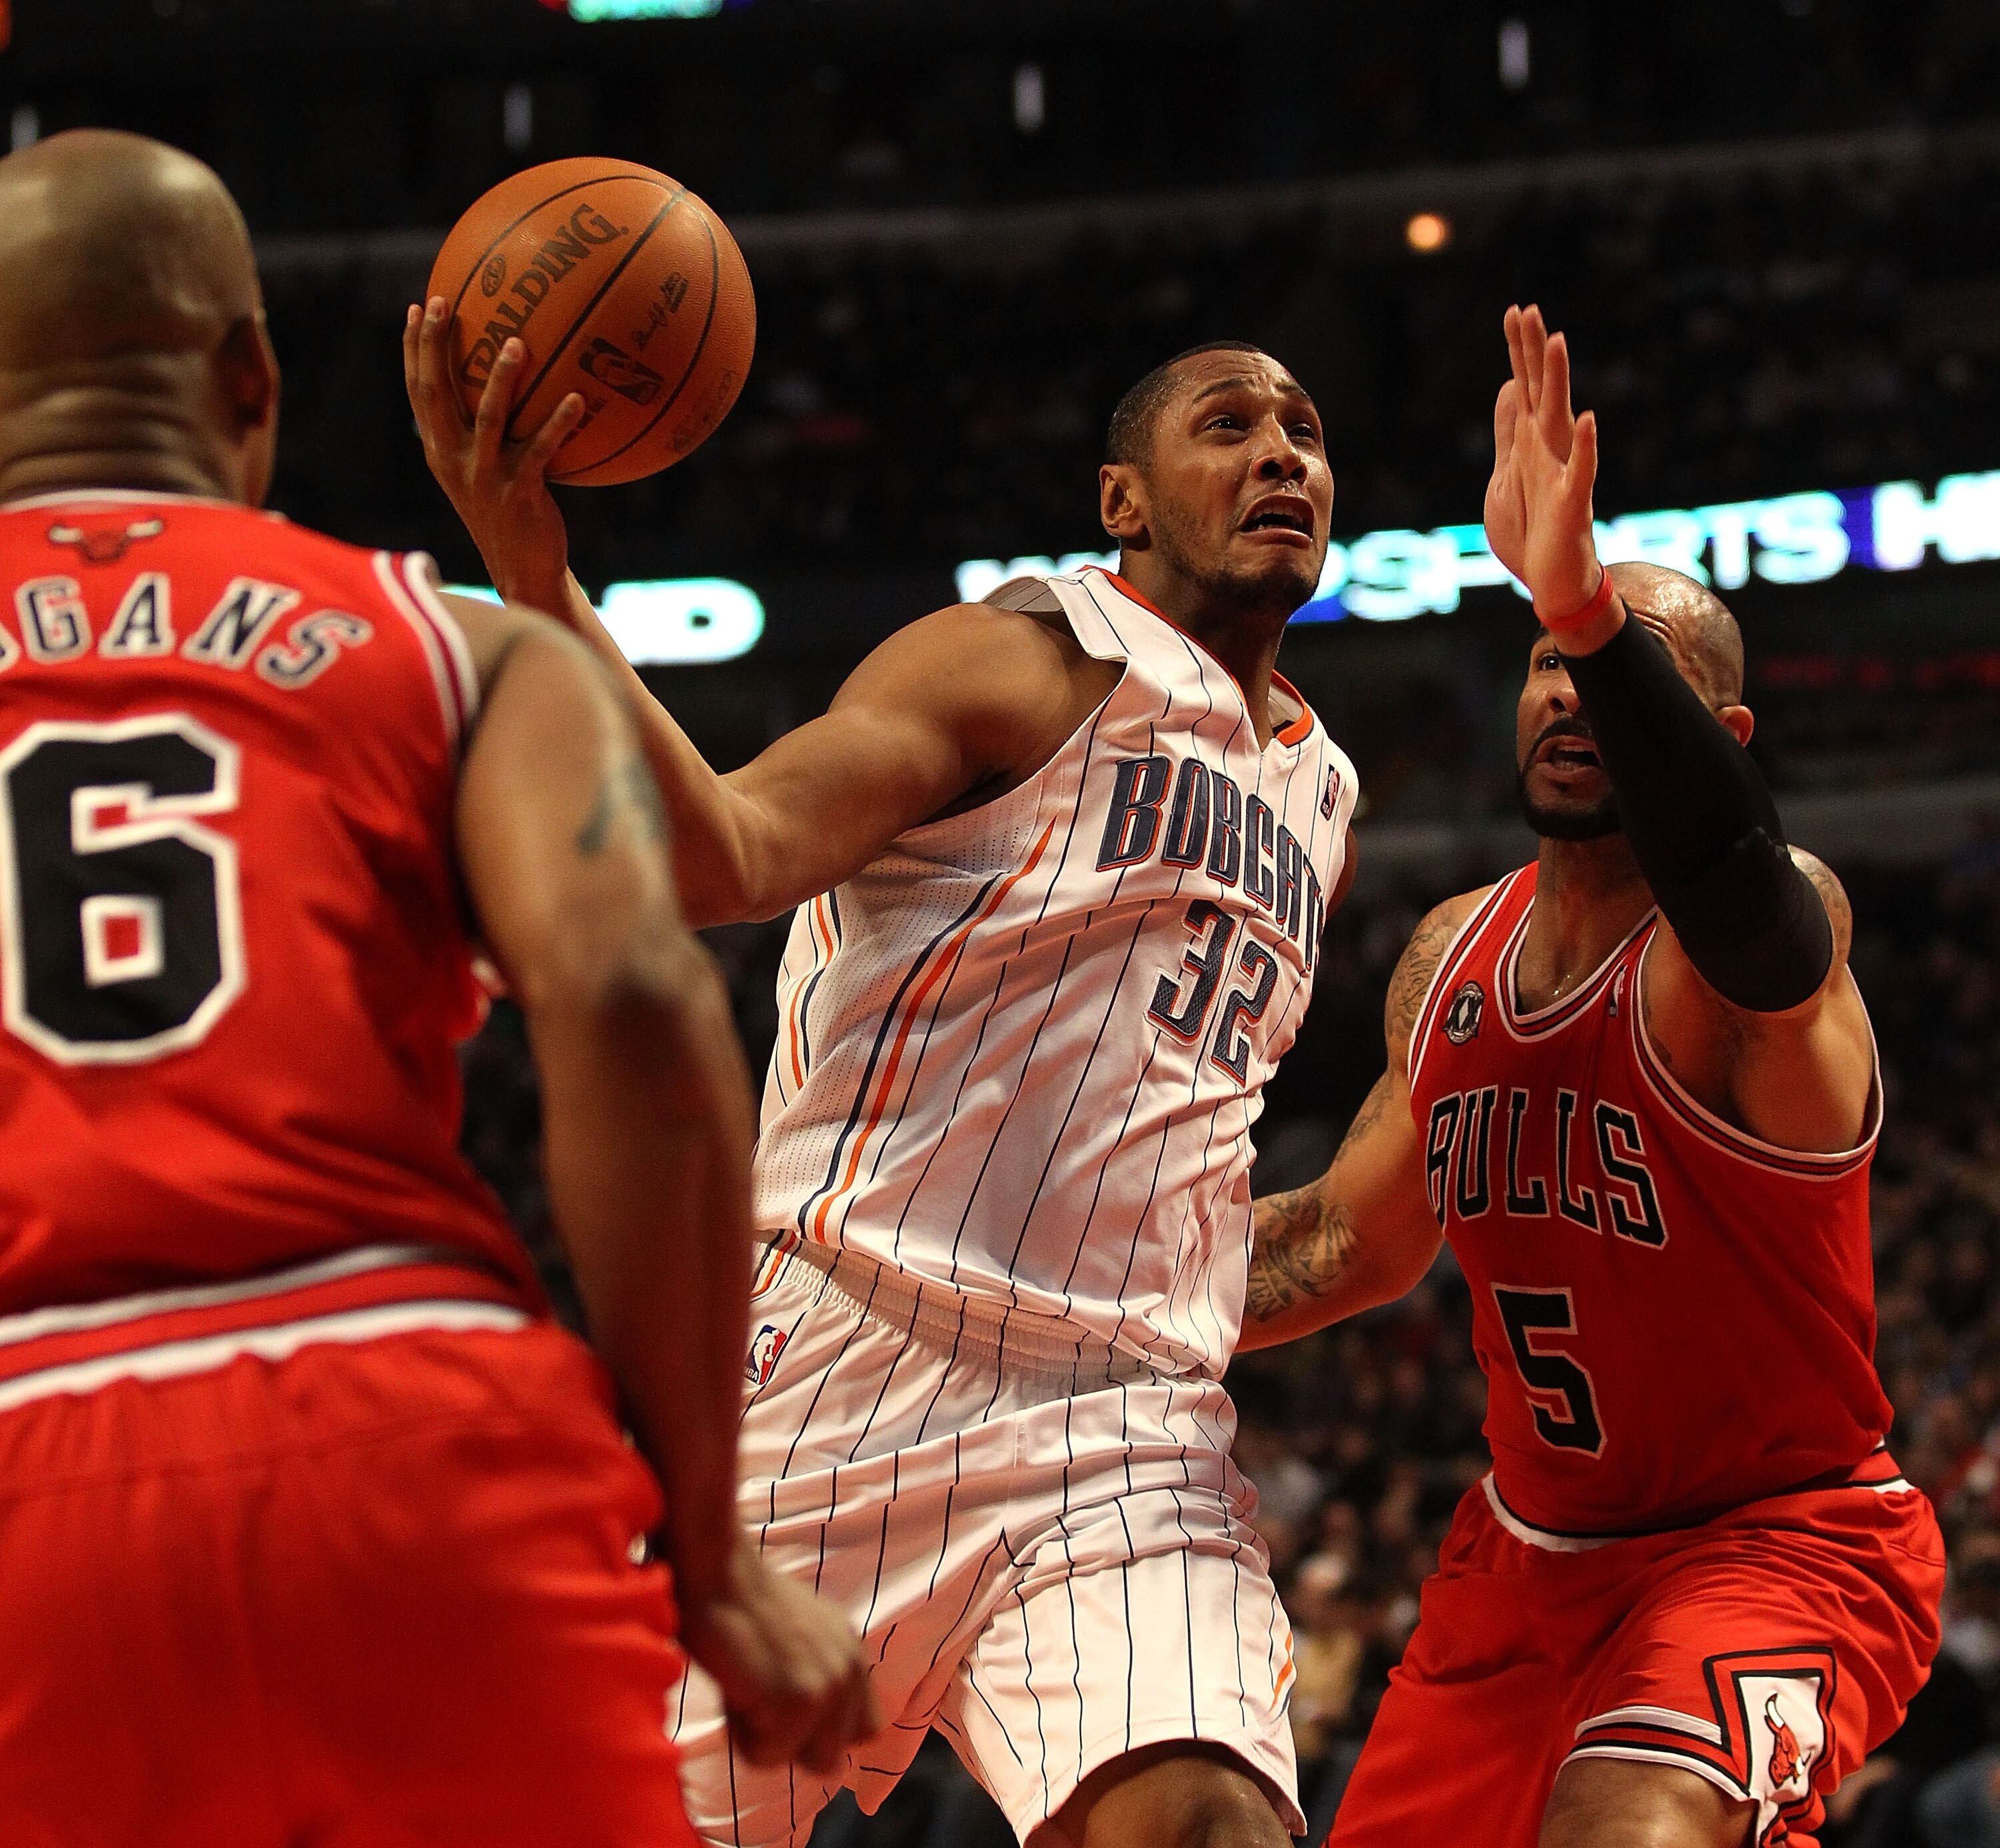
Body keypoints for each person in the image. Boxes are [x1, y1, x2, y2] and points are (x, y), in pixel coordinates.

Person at [0, 129, 872, 1845]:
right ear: (250, 378)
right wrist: (712, 1552)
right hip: (398, 1414)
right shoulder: (468, 652)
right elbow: (633, 1001)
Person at [407, 313, 1361, 1845]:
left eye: (1306, 433)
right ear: (1123, 500)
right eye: (1230, 425)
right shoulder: (1019, 657)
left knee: (1208, 1827)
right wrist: (540, 584)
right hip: (845, 1359)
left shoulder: (1322, 788)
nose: (1280, 457)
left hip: (1128, 1426)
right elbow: (728, 852)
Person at [1236, 306, 1945, 1848]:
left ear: (1723, 733)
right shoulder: (1447, 956)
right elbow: (1342, 1244)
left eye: (1618, 675)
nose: (1571, 693)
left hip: (1780, 1543)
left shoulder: (1766, 942)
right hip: (1525, 1562)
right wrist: (1049, 1312)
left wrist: (1586, 596)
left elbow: (1743, 888)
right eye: (1549, 664)